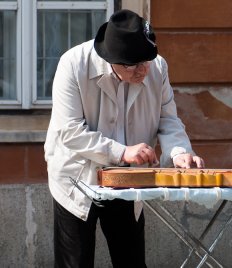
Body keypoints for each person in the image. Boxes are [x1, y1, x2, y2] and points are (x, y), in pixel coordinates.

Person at [44, 9, 204, 268]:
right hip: (76, 175)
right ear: (110, 60)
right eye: (132, 65)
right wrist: (121, 152)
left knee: (130, 260)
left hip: (128, 178)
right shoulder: (73, 64)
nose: (143, 71)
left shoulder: (157, 67)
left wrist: (179, 151)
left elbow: (168, 118)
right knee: (75, 262)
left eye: (146, 61)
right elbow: (69, 130)